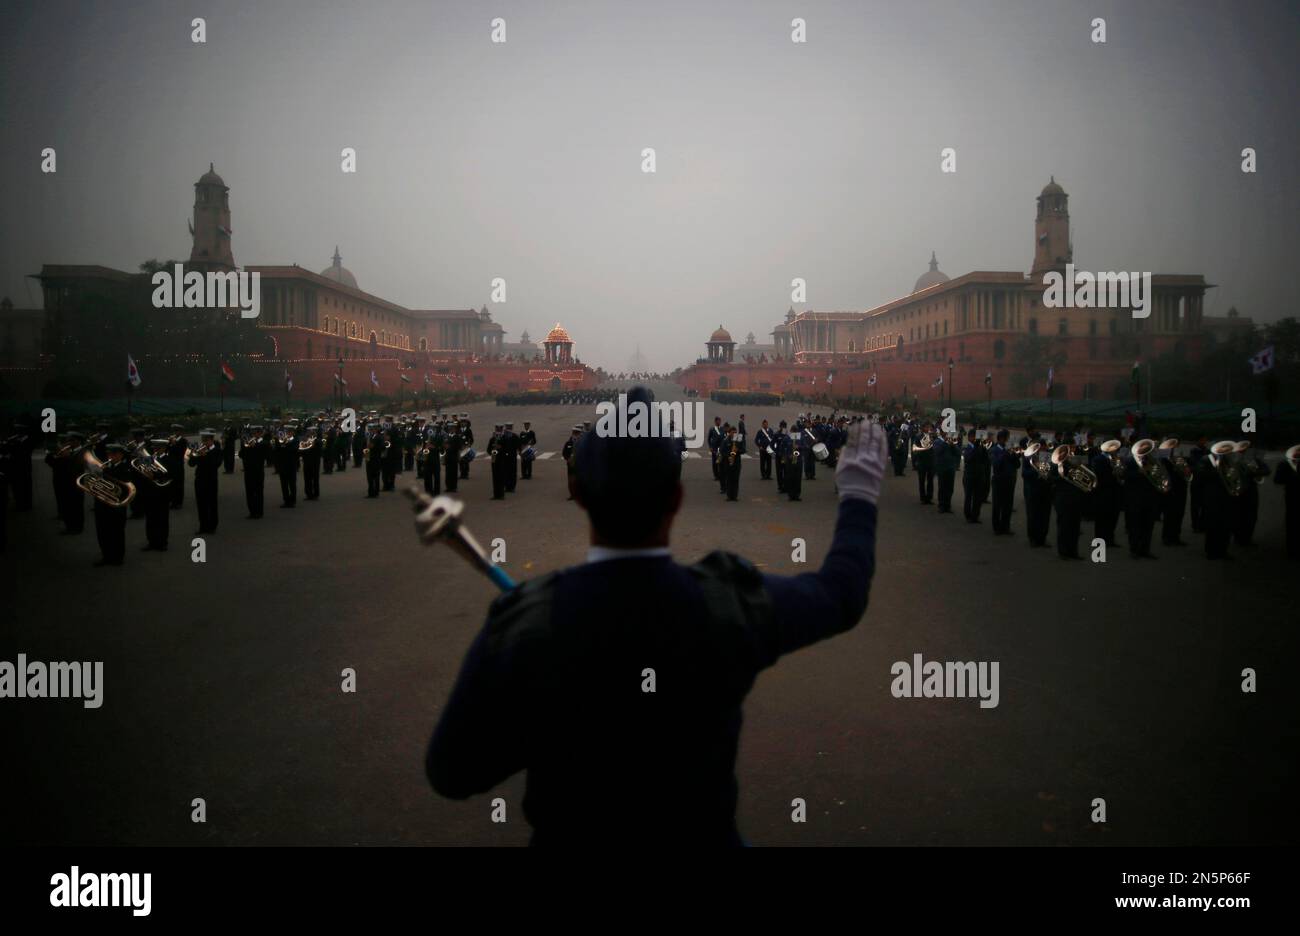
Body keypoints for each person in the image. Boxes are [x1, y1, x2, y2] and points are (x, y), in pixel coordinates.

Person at [424, 388, 886, 846]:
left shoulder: (530, 621)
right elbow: (841, 594)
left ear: (577, 491)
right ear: (676, 497)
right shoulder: (726, 604)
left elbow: (451, 772)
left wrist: (546, 722)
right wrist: (859, 492)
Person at [189, 428, 222, 534]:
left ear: (211, 440)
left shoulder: (217, 450)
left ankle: (212, 526)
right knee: (201, 504)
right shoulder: (200, 450)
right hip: (199, 480)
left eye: (206, 440)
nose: (203, 443)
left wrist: (205, 456)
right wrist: (192, 455)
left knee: (211, 504)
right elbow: (191, 464)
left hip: (211, 481)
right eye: (203, 440)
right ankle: (203, 526)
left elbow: (215, 465)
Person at [1274, 445, 1300, 559]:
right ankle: (1292, 551)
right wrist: (1292, 478)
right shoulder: (1285, 464)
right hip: (1292, 496)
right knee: (1292, 523)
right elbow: (1277, 480)